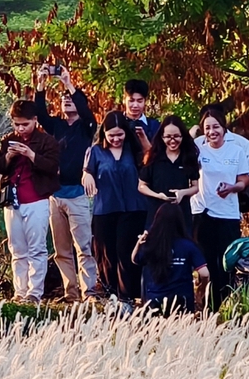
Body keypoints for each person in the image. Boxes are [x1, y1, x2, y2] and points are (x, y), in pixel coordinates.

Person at [35, 63, 98, 300]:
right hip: (55, 194)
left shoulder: (86, 127)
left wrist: (68, 83)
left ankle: (89, 290)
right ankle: (71, 292)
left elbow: (85, 109)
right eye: (63, 99)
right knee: (62, 250)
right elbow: (40, 114)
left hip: (78, 195)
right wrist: (41, 83)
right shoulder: (56, 126)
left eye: (70, 99)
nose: (67, 101)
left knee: (83, 247)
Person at [191, 104, 249, 308]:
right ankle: (201, 306)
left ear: (223, 127)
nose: (212, 132)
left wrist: (233, 187)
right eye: (207, 128)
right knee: (204, 265)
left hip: (228, 215)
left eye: (216, 127)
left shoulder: (238, 149)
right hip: (202, 214)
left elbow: (246, 177)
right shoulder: (197, 148)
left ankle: (220, 307)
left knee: (224, 265)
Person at [0, 98, 62, 302]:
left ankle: (34, 292)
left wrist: (31, 155)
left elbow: (52, 167)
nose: (21, 129)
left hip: (37, 199)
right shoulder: (8, 139)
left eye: (25, 124)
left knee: (37, 248)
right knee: (17, 248)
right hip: (12, 199)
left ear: (35, 120)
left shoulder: (46, 141)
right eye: (17, 124)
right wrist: (8, 157)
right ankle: (19, 291)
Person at [85, 111, 148, 302]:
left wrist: (143, 139)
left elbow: (151, 158)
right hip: (105, 210)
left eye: (119, 134)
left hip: (133, 208)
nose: (115, 139)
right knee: (107, 254)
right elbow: (87, 171)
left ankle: (128, 294)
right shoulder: (96, 151)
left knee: (126, 251)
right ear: (103, 133)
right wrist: (87, 175)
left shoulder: (133, 149)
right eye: (111, 135)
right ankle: (111, 293)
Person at [134, 197, 209, 313]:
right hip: (182, 300)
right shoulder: (189, 245)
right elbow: (205, 273)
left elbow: (135, 260)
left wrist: (139, 243)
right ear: (180, 221)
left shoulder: (151, 244)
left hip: (155, 301)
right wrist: (201, 289)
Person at [138, 115, 197, 209]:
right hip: (157, 211)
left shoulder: (188, 156)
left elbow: (195, 186)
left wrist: (183, 193)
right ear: (162, 137)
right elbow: (142, 186)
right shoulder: (153, 156)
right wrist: (157, 195)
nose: (172, 140)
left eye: (176, 136)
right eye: (168, 137)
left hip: (181, 212)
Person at [122, 79, 161, 149]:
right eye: (131, 101)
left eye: (139, 101)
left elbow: (158, 154)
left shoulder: (155, 126)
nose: (135, 105)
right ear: (124, 100)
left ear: (145, 101)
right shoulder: (116, 122)